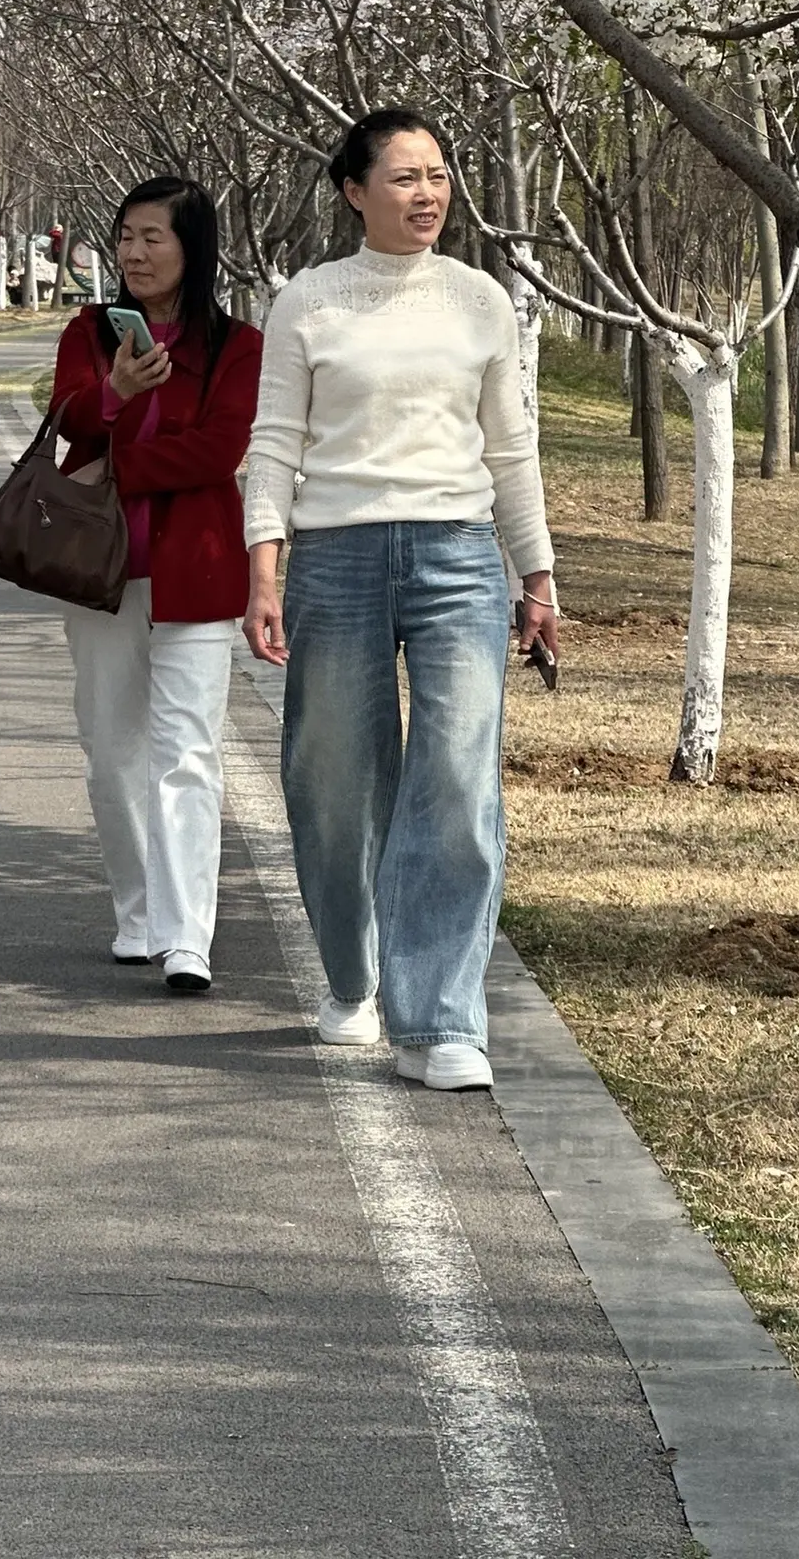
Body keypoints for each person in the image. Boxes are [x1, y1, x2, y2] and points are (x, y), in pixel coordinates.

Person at [242, 110, 558, 1091]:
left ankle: (442, 1021)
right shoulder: (309, 301)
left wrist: (536, 572)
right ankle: (354, 975)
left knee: (457, 780)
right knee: (334, 778)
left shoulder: (479, 301)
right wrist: (264, 569)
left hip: (458, 555)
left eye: (439, 174)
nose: (428, 194)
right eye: (405, 177)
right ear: (355, 191)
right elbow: (275, 443)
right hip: (335, 557)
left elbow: (510, 447)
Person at [49, 177, 263, 992]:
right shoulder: (90, 331)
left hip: (196, 571)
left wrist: (116, 468)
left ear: (192, 248)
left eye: (153, 238)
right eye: (125, 236)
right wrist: (116, 393)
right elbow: (66, 421)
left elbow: (219, 449)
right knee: (112, 752)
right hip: (99, 567)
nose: (134, 253)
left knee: (187, 753)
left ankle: (186, 937)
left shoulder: (237, 346)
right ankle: (138, 912)